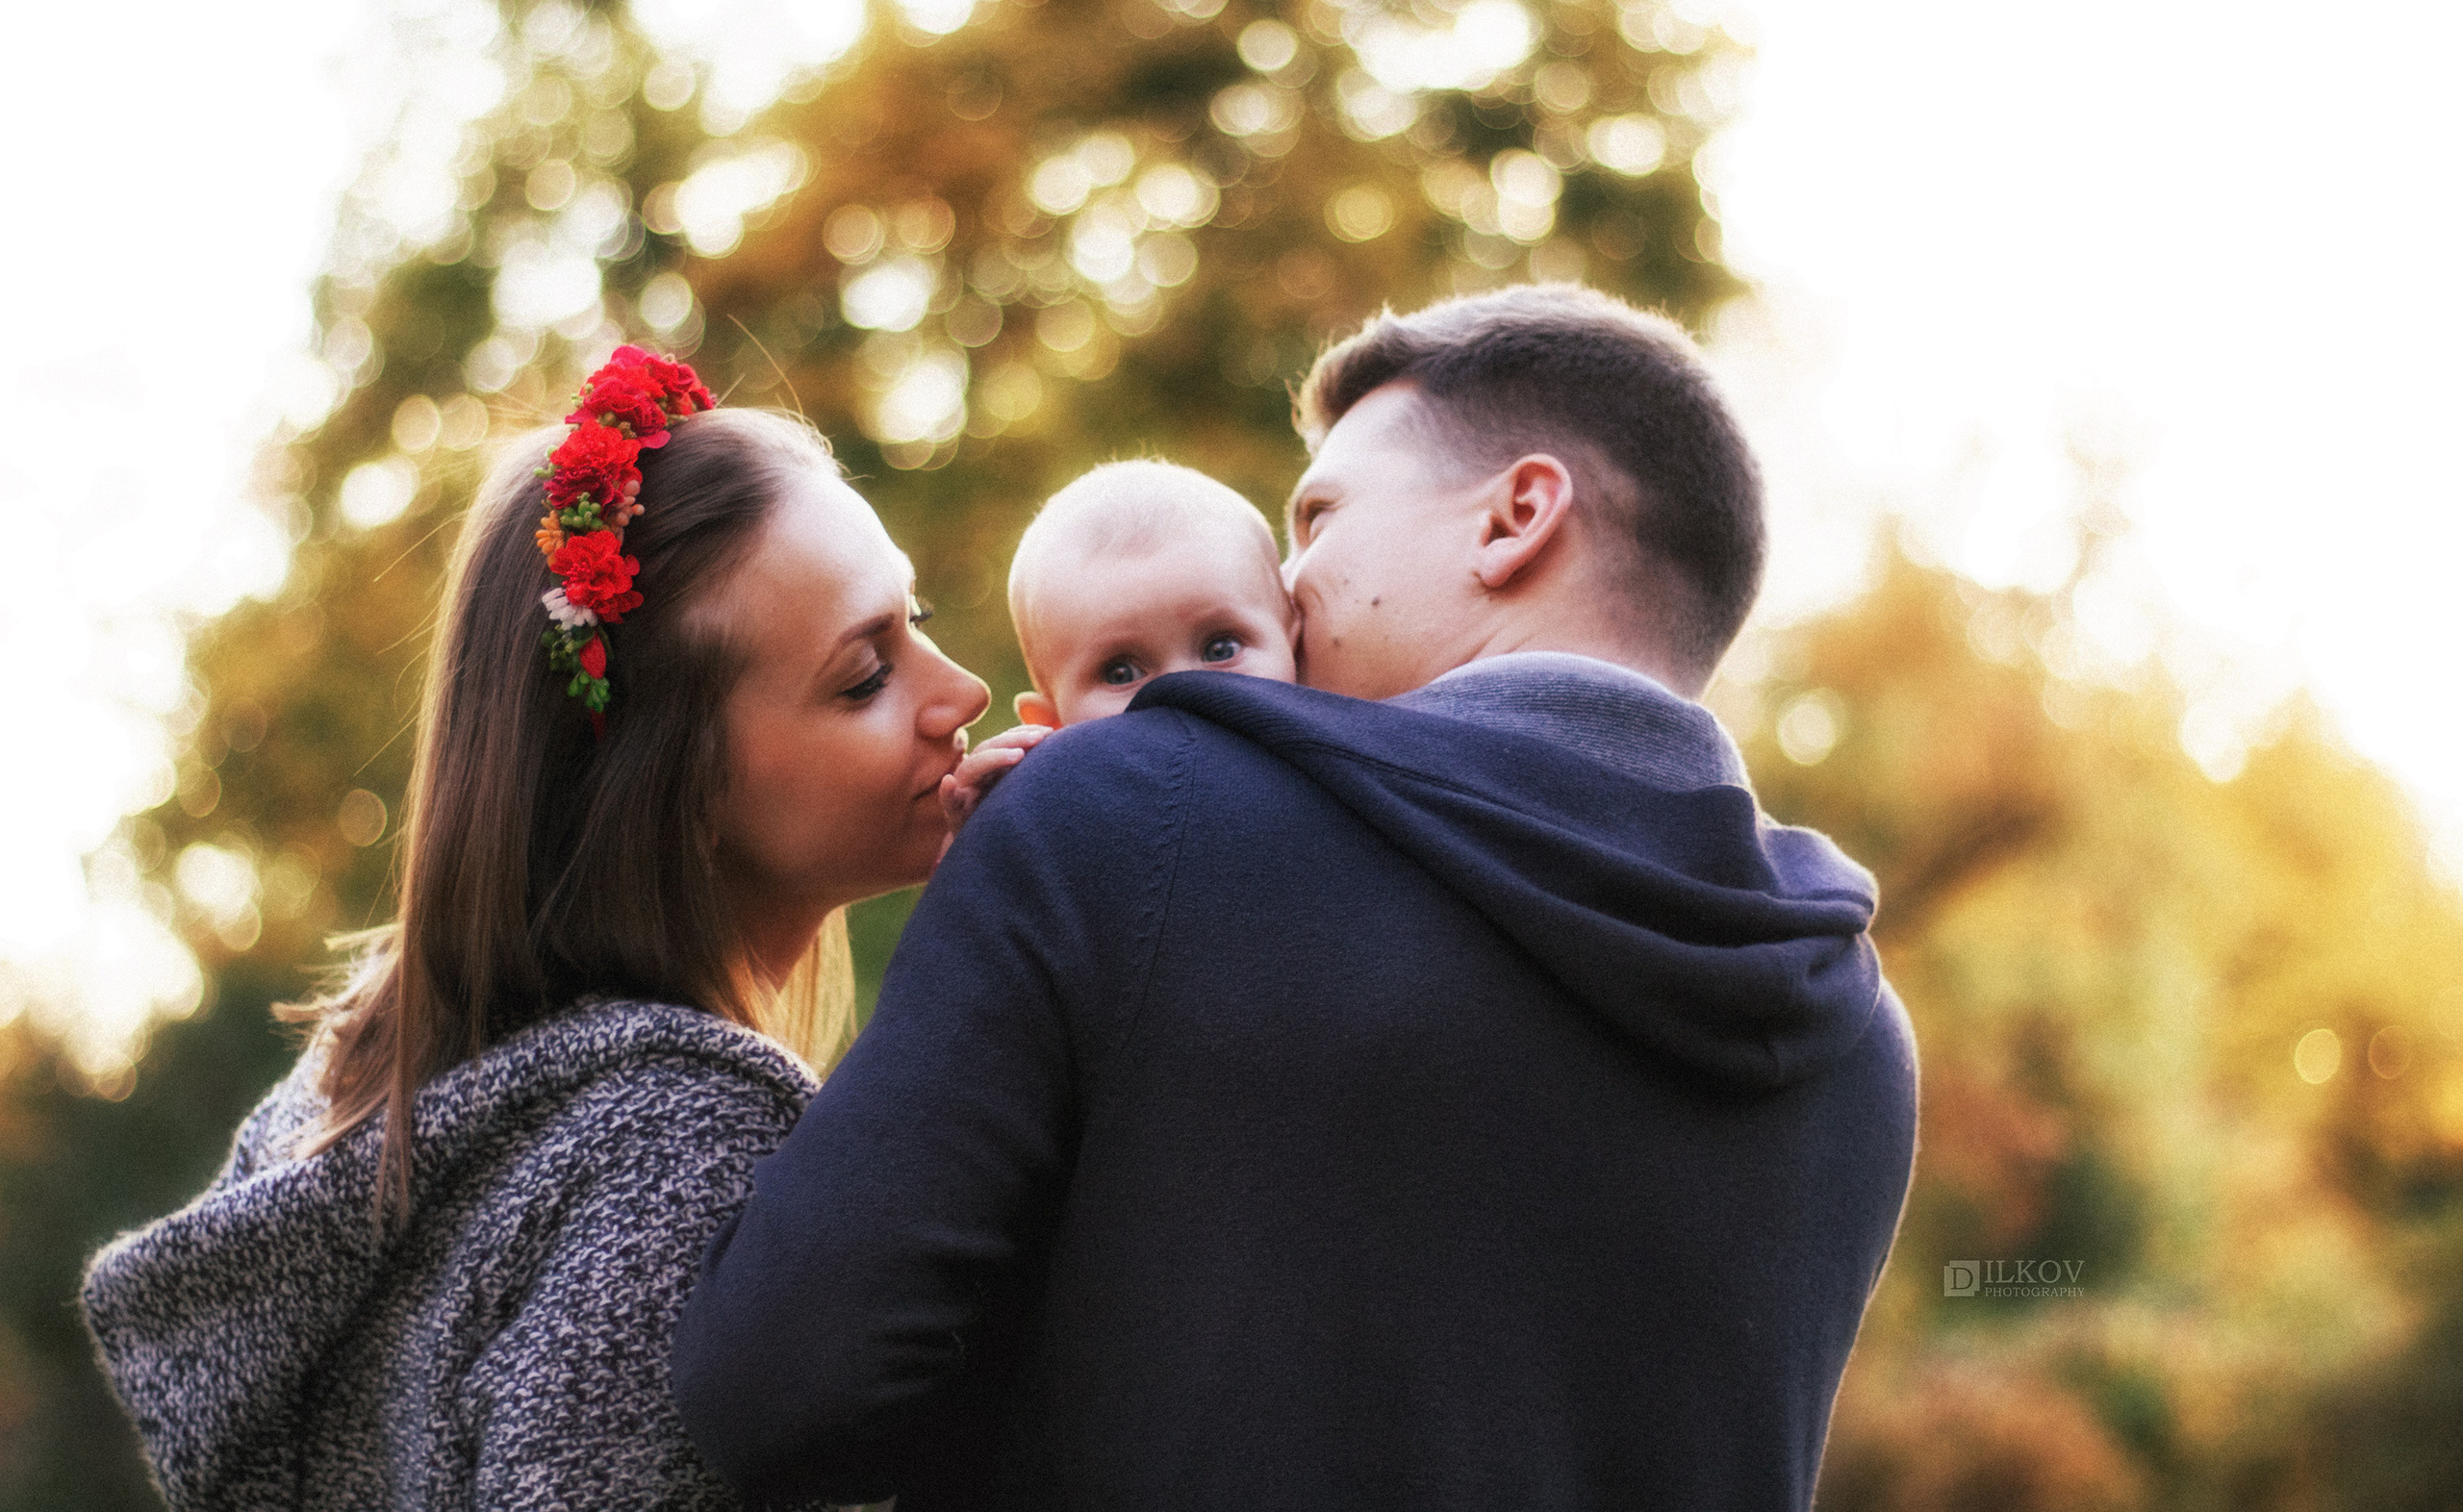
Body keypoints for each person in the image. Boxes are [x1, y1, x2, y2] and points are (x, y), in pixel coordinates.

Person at [674, 286, 1920, 1511]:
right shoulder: (1859, 1038)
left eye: (1318, 517)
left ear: (1517, 517)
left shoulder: (1125, 809)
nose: (1292, 580)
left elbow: (784, 1391)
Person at [81, 349, 990, 1511]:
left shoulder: (358, 1089)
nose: (958, 689)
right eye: (866, 675)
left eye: (915, 617)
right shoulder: (678, 1141)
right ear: (681, 790)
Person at [937, 458, 1298, 822]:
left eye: (1221, 648)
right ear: (1050, 726)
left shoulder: (1340, 766)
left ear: (1293, 642)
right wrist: (988, 830)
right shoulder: (1066, 821)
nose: (1184, 693)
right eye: (1120, 672)